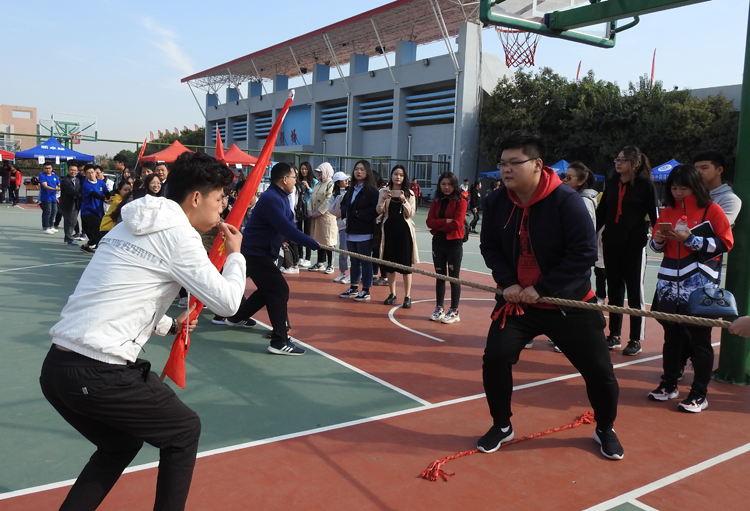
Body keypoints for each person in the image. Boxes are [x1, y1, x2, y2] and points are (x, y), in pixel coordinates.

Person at [40, 151, 245, 511]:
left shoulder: (128, 223)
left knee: (119, 445)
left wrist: (169, 324)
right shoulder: (179, 236)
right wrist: (235, 255)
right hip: (99, 371)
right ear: (197, 198)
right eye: (220, 199)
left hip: (58, 368)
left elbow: (120, 292)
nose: (223, 208)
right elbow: (228, 303)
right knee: (184, 431)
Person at [478, 131, 622, 460]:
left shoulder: (566, 201)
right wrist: (508, 282)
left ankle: (605, 427)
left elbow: (583, 253)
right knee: (495, 358)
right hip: (517, 304)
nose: (506, 169)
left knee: (599, 371)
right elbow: (490, 246)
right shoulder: (496, 201)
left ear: (537, 164)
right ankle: (502, 424)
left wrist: (543, 289)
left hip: (568, 303)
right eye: (502, 163)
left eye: (514, 163)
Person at [646, 164, 732, 412]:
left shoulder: (712, 210)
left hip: (700, 286)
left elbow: (726, 243)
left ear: (696, 186)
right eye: (674, 188)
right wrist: (658, 240)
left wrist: (691, 239)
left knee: (700, 340)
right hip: (668, 284)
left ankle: (699, 394)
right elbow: (656, 247)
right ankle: (668, 384)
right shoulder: (667, 211)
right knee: (671, 338)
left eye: (684, 188)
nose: (678, 192)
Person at [225, 162, 320, 355]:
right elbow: (286, 228)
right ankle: (279, 341)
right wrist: (312, 243)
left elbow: (287, 225)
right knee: (279, 289)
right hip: (255, 253)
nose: (295, 181)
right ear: (284, 179)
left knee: (267, 289)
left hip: (262, 253)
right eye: (293, 178)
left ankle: (237, 317)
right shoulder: (270, 199)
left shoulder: (281, 197)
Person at [596, 145, 658, 356]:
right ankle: (614, 335)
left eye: (623, 160)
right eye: (617, 159)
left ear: (636, 163)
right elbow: (601, 213)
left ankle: (635, 339)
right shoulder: (612, 183)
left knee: (634, 294)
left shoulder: (646, 185)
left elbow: (654, 215)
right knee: (614, 292)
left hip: (634, 246)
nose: (618, 163)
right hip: (611, 244)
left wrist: (660, 237)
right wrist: (590, 235)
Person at [425, 172, 467, 323]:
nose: (446, 187)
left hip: (454, 243)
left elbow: (457, 223)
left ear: (455, 185)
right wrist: (445, 221)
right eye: (443, 184)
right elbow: (429, 222)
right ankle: (439, 308)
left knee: (453, 277)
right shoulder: (437, 201)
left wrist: (439, 224)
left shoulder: (461, 202)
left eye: (449, 184)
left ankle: (454, 311)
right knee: (440, 276)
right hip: (438, 242)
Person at [377, 165, 419, 308]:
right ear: (391, 175)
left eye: (401, 175)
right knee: (390, 264)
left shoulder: (410, 193)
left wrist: (404, 200)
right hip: (389, 229)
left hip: (404, 231)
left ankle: (407, 296)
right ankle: (392, 294)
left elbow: (411, 213)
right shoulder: (383, 191)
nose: (398, 177)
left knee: (406, 265)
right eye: (395, 174)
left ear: (404, 177)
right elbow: (378, 210)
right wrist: (383, 199)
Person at [339, 160, 379, 301]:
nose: (358, 172)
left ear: (367, 172)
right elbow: (344, 204)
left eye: (362, 169)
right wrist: (346, 214)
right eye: (356, 169)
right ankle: (354, 287)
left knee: (365, 261)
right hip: (350, 230)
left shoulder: (372, 190)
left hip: (364, 231)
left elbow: (374, 210)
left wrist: (357, 214)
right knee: (354, 260)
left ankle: (366, 289)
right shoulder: (351, 189)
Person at [693, 150, 741, 227]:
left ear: (719, 170)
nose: (698, 172)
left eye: (704, 168)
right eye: (696, 169)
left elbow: (717, 227)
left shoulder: (730, 200)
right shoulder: (690, 193)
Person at [308, 162, 338, 274]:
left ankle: (330, 264)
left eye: (320, 172)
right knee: (319, 240)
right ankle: (320, 262)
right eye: (318, 172)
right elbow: (311, 198)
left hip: (327, 218)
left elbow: (328, 200)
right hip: (317, 218)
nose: (318, 174)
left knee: (329, 241)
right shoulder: (318, 184)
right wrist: (310, 211)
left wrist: (318, 212)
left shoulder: (331, 184)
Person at [80, 164, 108, 254]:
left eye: (92, 172)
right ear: (85, 174)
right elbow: (94, 194)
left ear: (95, 173)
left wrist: (113, 197)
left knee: (101, 231)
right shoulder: (86, 185)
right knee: (100, 229)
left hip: (98, 211)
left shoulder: (101, 183)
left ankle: (89, 245)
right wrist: (104, 199)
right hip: (88, 211)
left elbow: (107, 192)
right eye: (88, 173)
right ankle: (89, 245)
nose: (91, 174)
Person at [328, 171, 350, 283]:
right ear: (337, 183)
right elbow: (334, 212)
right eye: (343, 180)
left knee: (355, 253)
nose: (346, 181)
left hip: (354, 226)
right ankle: (342, 273)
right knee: (343, 252)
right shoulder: (334, 196)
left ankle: (353, 274)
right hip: (342, 227)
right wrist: (339, 200)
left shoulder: (352, 191)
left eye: (346, 179)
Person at [296, 161, 315, 267]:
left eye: (305, 169)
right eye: (302, 169)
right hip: (299, 210)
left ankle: (308, 258)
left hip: (308, 210)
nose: (304, 171)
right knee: (299, 233)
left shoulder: (314, 181)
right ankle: (300, 256)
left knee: (308, 233)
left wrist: (308, 187)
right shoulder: (297, 180)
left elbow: (315, 195)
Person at [59, 164, 82, 246]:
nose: (73, 172)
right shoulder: (65, 180)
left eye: (75, 170)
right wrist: (81, 196)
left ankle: (69, 237)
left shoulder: (77, 180)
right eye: (71, 170)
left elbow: (79, 190)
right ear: (68, 171)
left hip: (75, 204)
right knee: (69, 221)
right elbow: (71, 191)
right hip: (67, 204)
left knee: (74, 221)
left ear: (77, 171)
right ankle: (68, 239)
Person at [39, 162, 61, 234]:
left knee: (54, 211)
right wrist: (55, 189)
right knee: (47, 211)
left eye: (49, 168)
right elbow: (45, 186)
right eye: (46, 168)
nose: (48, 170)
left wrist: (61, 187)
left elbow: (59, 184)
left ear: (52, 168)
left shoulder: (54, 176)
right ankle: (45, 227)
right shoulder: (42, 176)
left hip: (53, 197)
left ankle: (51, 226)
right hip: (46, 197)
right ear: (43, 169)